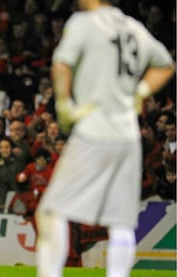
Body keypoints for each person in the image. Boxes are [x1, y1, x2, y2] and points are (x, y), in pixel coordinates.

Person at [35, 1, 175, 277]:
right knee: (121, 222)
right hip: (127, 136)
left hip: (93, 131)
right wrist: (139, 93)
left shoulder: (84, 22)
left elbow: (61, 65)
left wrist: (64, 105)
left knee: (51, 212)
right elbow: (166, 65)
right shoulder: (133, 28)